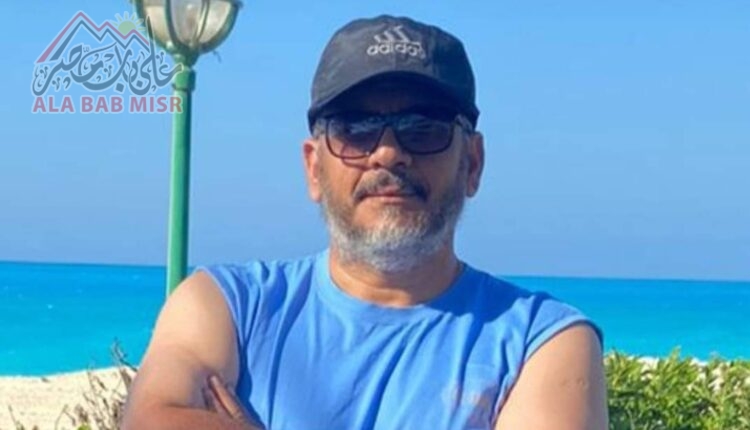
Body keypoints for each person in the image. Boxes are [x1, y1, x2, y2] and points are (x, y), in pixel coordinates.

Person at [122, 14, 609, 430]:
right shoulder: (228, 305)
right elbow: (152, 418)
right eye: (354, 128)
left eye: (424, 128)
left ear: (473, 164)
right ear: (314, 168)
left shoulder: (543, 341)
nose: (388, 153)